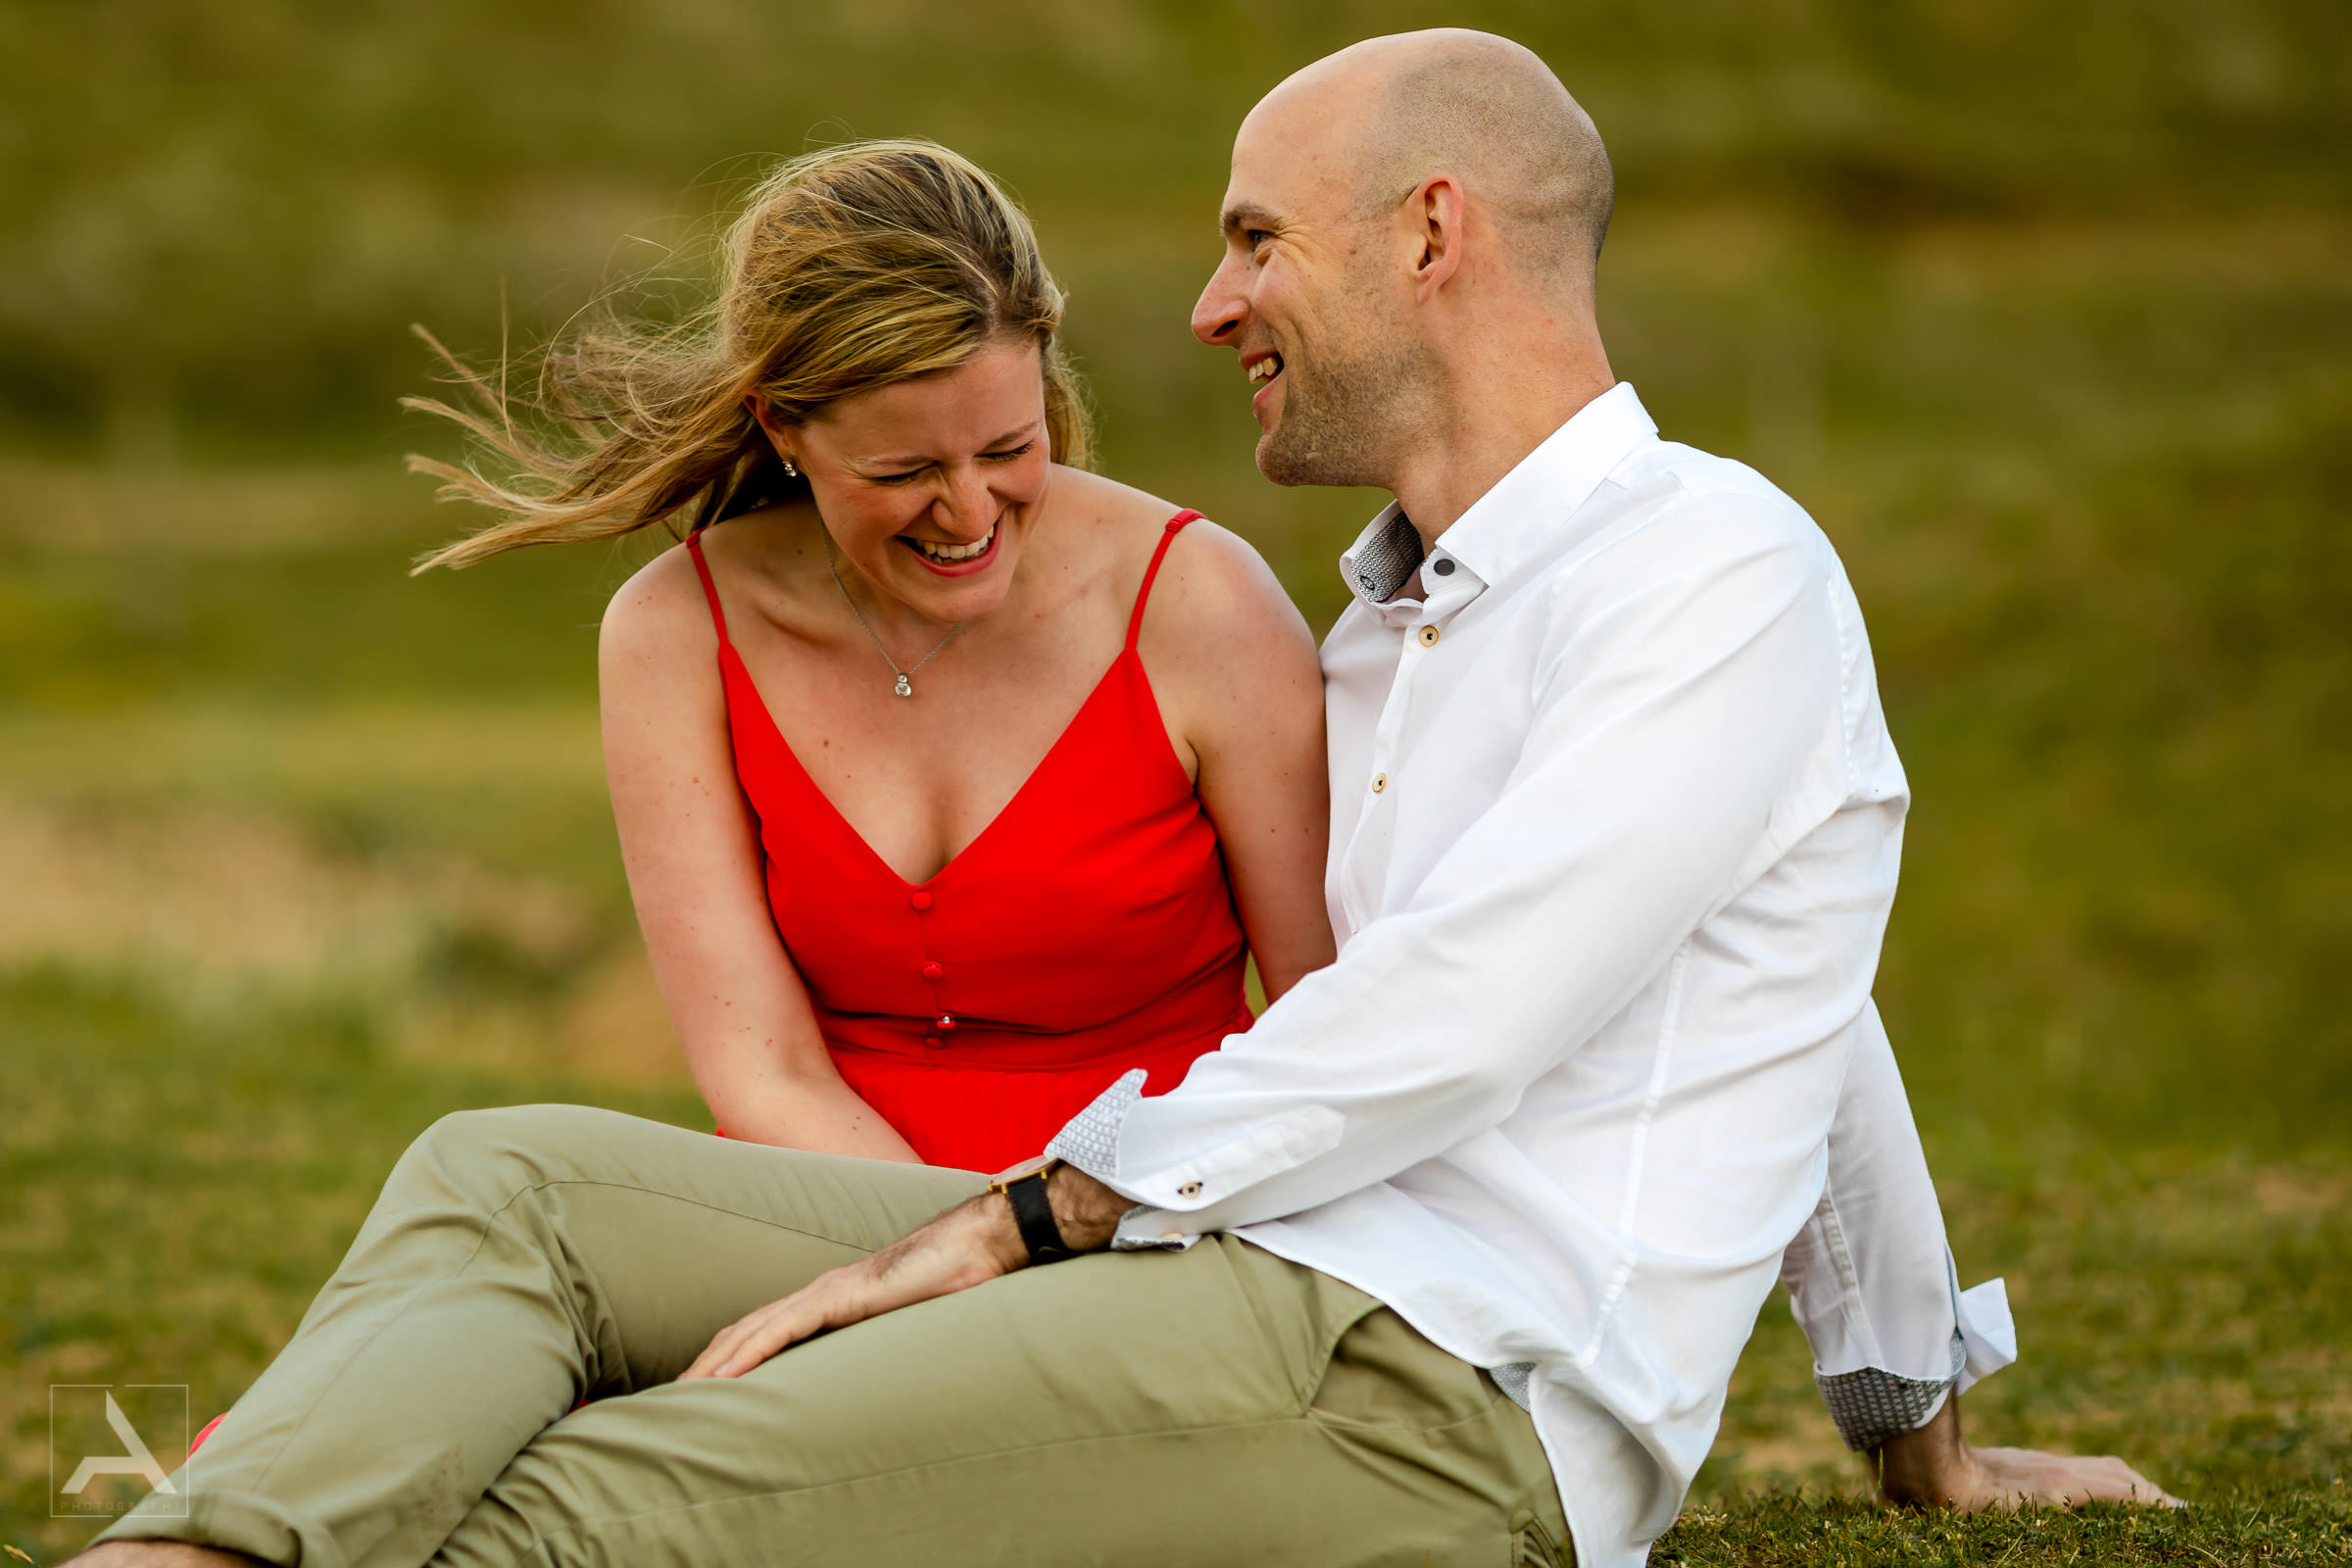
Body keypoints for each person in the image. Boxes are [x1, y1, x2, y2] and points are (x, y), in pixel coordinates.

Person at [79, 32, 2174, 1568]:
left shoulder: (1710, 572)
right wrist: (1913, 1422)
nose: (1207, 302)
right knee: (499, 1169)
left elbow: (1474, 1007)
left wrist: (1030, 1214)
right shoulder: (1392, 634)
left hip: (1439, 1374)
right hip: (1243, 1283)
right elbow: (1807, 982)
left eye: (1258, 238)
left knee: (583, 1507)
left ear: (1431, 232)